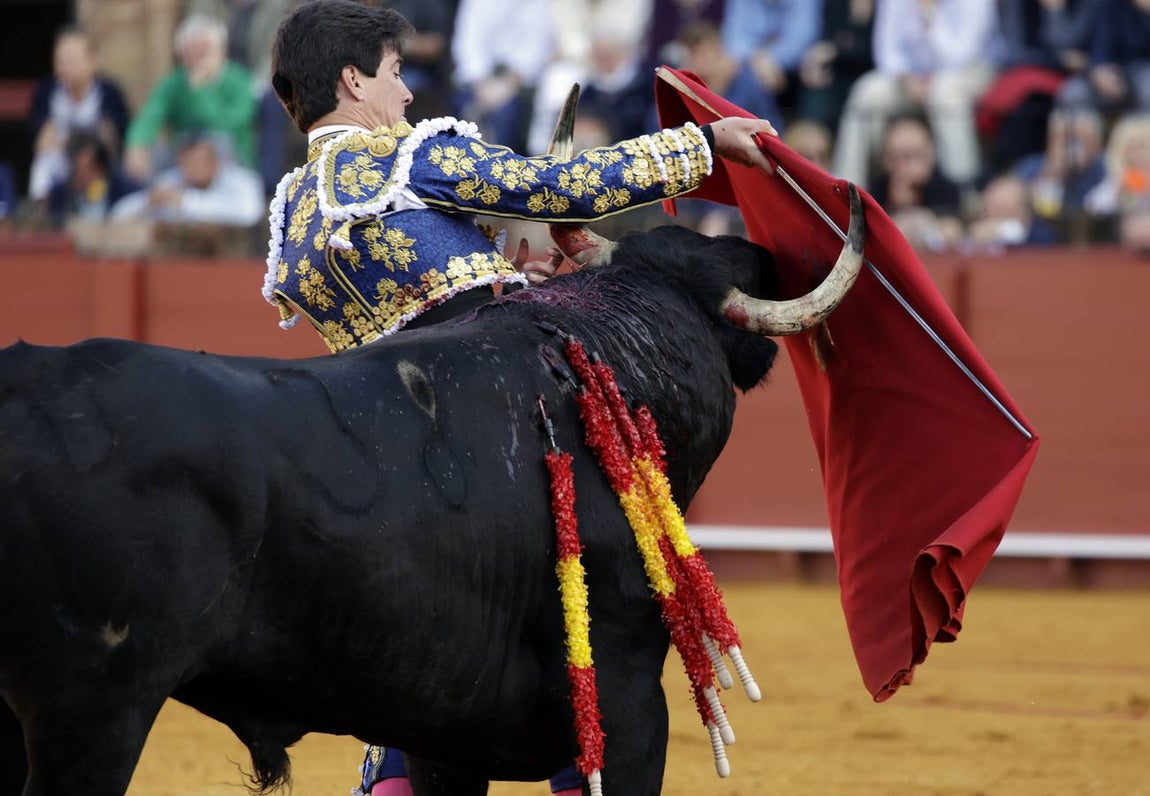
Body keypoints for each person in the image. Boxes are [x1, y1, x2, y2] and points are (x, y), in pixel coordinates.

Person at [262, 1, 777, 792]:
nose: (406, 95)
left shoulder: (297, 205)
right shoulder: (401, 160)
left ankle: (393, 768)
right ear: (352, 79)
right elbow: (552, 187)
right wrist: (701, 148)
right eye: (396, 74)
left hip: (384, 447)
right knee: (595, 601)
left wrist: (504, 282)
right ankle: (588, 757)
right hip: (499, 432)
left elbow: (416, 300)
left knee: (417, 654)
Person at [832, 0, 1000, 190]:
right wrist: (906, 77)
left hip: (971, 72)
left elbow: (960, 56)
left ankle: (962, 192)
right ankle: (847, 190)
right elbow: (886, 51)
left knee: (945, 94)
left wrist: (929, 15)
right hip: (912, 78)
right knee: (866, 93)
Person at [123, 13, 258, 182]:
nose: (197, 56)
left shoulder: (240, 80)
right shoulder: (174, 82)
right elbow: (151, 115)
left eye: (204, 49)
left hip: (228, 155)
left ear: (221, 51)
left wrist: (200, 88)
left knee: (215, 144)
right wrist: (136, 143)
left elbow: (231, 122)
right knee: (152, 153)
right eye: (192, 50)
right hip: (183, 151)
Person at [26, 26, 131, 205]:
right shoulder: (47, 92)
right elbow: (41, 140)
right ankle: (41, 213)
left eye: (73, 60)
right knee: (44, 164)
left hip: (97, 159)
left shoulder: (109, 92)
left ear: (93, 61)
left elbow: (116, 137)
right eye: (61, 60)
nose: (66, 67)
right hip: (61, 157)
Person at [111, 130, 265, 226]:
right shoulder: (170, 180)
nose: (193, 168)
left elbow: (250, 214)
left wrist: (186, 201)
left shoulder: (243, 182)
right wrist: (147, 203)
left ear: (215, 162)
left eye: (199, 161)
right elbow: (119, 214)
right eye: (186, 162)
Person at [869, 114, 964, 251]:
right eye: (897, 157)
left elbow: (954, 232)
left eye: (916, 155)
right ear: (885, 159)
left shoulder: (946, 189)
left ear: (931, 154)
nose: (907, 165)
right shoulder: (875, 191)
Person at [43, 129, 143, 227]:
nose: (83, 177)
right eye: (78, 171)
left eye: (89, 169)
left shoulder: (125, 190)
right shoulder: (59, 196)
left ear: (102, 169)